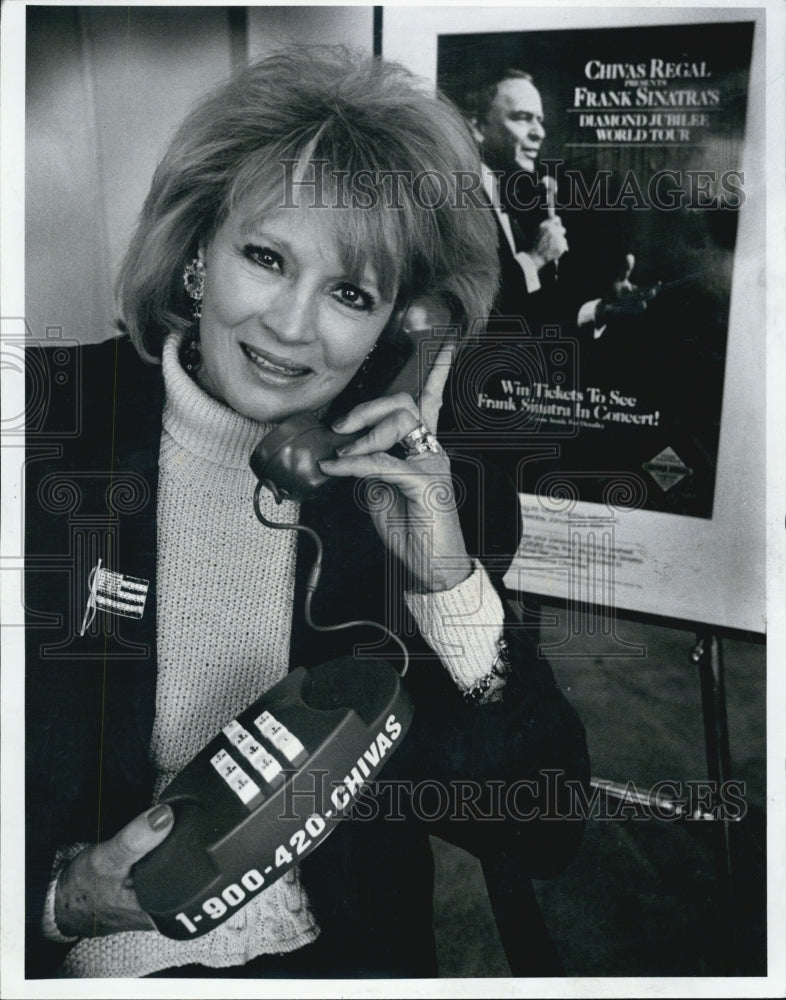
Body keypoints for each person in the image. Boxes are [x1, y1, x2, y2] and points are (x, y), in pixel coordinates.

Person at [25, 46, 589, 979]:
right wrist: (59, 900)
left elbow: (544, 825)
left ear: (401, 327)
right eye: (266, 257)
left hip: (338, 956)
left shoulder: (426, 491)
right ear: (198, 251)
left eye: (349, 292)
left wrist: (445, 584)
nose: (292, 326)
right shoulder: (46, 431)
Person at [466, 68, 658, 330]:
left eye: (540, 120)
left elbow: (524, 316)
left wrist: (600, 310)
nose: (539, 133)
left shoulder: (507, 199)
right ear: (476, 127)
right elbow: (467, 312)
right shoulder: (455, 199)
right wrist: (535, 259)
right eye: (523, 118)